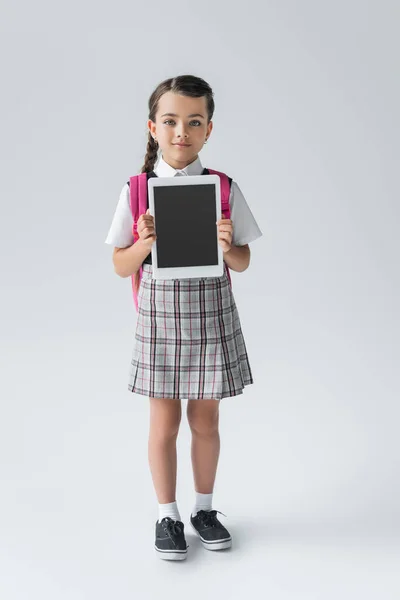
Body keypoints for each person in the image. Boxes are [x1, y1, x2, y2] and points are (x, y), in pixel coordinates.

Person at [105, 75, 262, 560]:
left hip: (210, 314)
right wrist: (144, 244)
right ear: (153, 127)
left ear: (208, 130)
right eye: (171, 121)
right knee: (163, 423)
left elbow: (242, 262)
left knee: (207, 419)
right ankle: (166, 515)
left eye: (194, 122)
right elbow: (119, 265)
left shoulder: (222, 188)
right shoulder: (137, 191)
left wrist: (226, 243)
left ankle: (204, 509)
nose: (181, 132)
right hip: (161, 319)